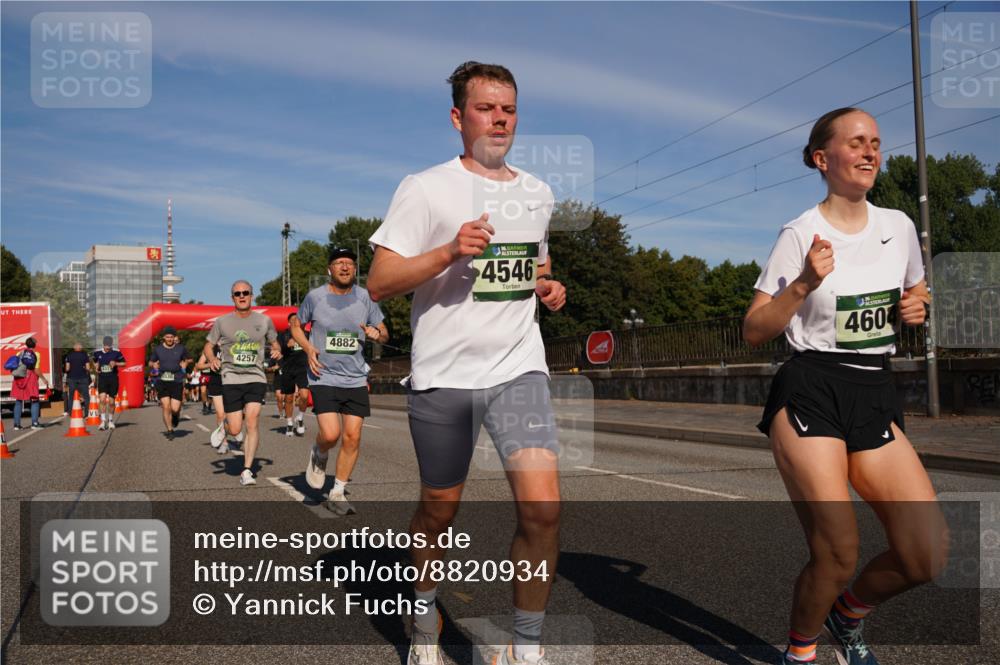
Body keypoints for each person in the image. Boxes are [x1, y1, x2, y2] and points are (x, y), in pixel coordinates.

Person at [367, 61, 567, 665]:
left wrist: (548, 287)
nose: (499, 118)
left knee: (543, 508)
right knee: (439, 510)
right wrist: (450, 248)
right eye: (486, 107)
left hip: (519, 369)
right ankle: (423, 617)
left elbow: (535, 264)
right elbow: (379, 282)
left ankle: (525, 646)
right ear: (459, 117)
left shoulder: (537, 193)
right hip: (445, 377)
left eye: (508, 108)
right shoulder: (424, 188)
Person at [743, 107, 948, 665]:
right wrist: (806, 281)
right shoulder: (800, 232)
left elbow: (919, 292)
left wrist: (917, 307)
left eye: (876, 143)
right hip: (811, 389)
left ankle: (849, 613)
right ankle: (801, 653)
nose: (870, 152)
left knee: (925, 554)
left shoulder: (899, 226)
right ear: (822, 158)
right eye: (856, 142)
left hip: (874, 392)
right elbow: (756, 329)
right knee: (836, 551)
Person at [291, 247, 387, 514]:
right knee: (331, 434)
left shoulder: (365, 298)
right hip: (324, 374)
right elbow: (295, 326)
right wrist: (309, 349)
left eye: (349, 263)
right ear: (329, 270)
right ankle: (319, 453)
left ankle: (337, 492)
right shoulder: (315, 297)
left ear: (354, 269)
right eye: (339, 263)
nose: (345, 267)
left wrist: (376, 334)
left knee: (353, 436)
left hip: (355, 376)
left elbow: (384, 332)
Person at [205, 280, 280, 486]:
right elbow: (208, 346)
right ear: (232, 298)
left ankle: (247, 470)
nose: (241, 296)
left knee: (253, 421)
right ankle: (225, 427)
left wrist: (277, 350)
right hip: (231, 378)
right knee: (236, 429)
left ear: (251, 296)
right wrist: (211, 359)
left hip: (256, 377)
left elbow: (275, 344)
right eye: (237, 293)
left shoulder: (264, 321)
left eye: (245, 292)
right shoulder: (222, 322)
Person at [149, 326, 190, 440]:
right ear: (164, 337)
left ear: (174, 337)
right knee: (166, 406)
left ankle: (175, 417)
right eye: (167, 337)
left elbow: (189, 358)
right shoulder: (158, 349)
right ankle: (169, 430)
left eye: (172, 337)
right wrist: (153, 365)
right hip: (162, 381)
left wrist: (185, 363)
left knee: (175, 409)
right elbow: (150, 362)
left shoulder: (181, 348)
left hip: (176, 380)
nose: (170, 339)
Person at [278, 312, 311, 437]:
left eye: (297, 320)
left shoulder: (306, 334)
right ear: (288, 323)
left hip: (302, 369)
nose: (295, 322)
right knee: (289, 398)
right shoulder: (283, 335)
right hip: (288, 370)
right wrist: (287, 345)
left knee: (304, 395)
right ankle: (290, 423)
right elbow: (279, 350)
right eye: (292, 320)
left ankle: (300, 418)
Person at [10, 337, 50, 430]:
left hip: (19, 378)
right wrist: (43, 379)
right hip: (30, 378)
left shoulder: (19, 353)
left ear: (26, 344)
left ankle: (16, 425)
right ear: (34, 345)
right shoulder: (36, 354)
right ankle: (34, 423)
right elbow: (36, 369)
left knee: (18, 400)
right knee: (34, 400)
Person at [92, 336, 126, 430]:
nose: (107, 347)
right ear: (103, 344)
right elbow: (95, 361)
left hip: (113, 379)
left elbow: (124, 363)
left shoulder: (116, 352)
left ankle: (110, 421)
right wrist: (96, 366)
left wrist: (116, 363)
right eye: (106, 345)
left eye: (109, 345)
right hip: (102, 379)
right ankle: (103, 421)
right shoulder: (97, 352)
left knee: (111, 402)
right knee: (102, 399)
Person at [63, 341, 92, 416]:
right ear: (80, 347)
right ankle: (87, 413)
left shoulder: (69, 355)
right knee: (86, 396)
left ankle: (71, 413)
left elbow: (67, 368)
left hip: (72, 378)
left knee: (71, 397)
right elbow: (88, 367)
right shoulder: (85, 355)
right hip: (83, 378)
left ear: (74, 348)